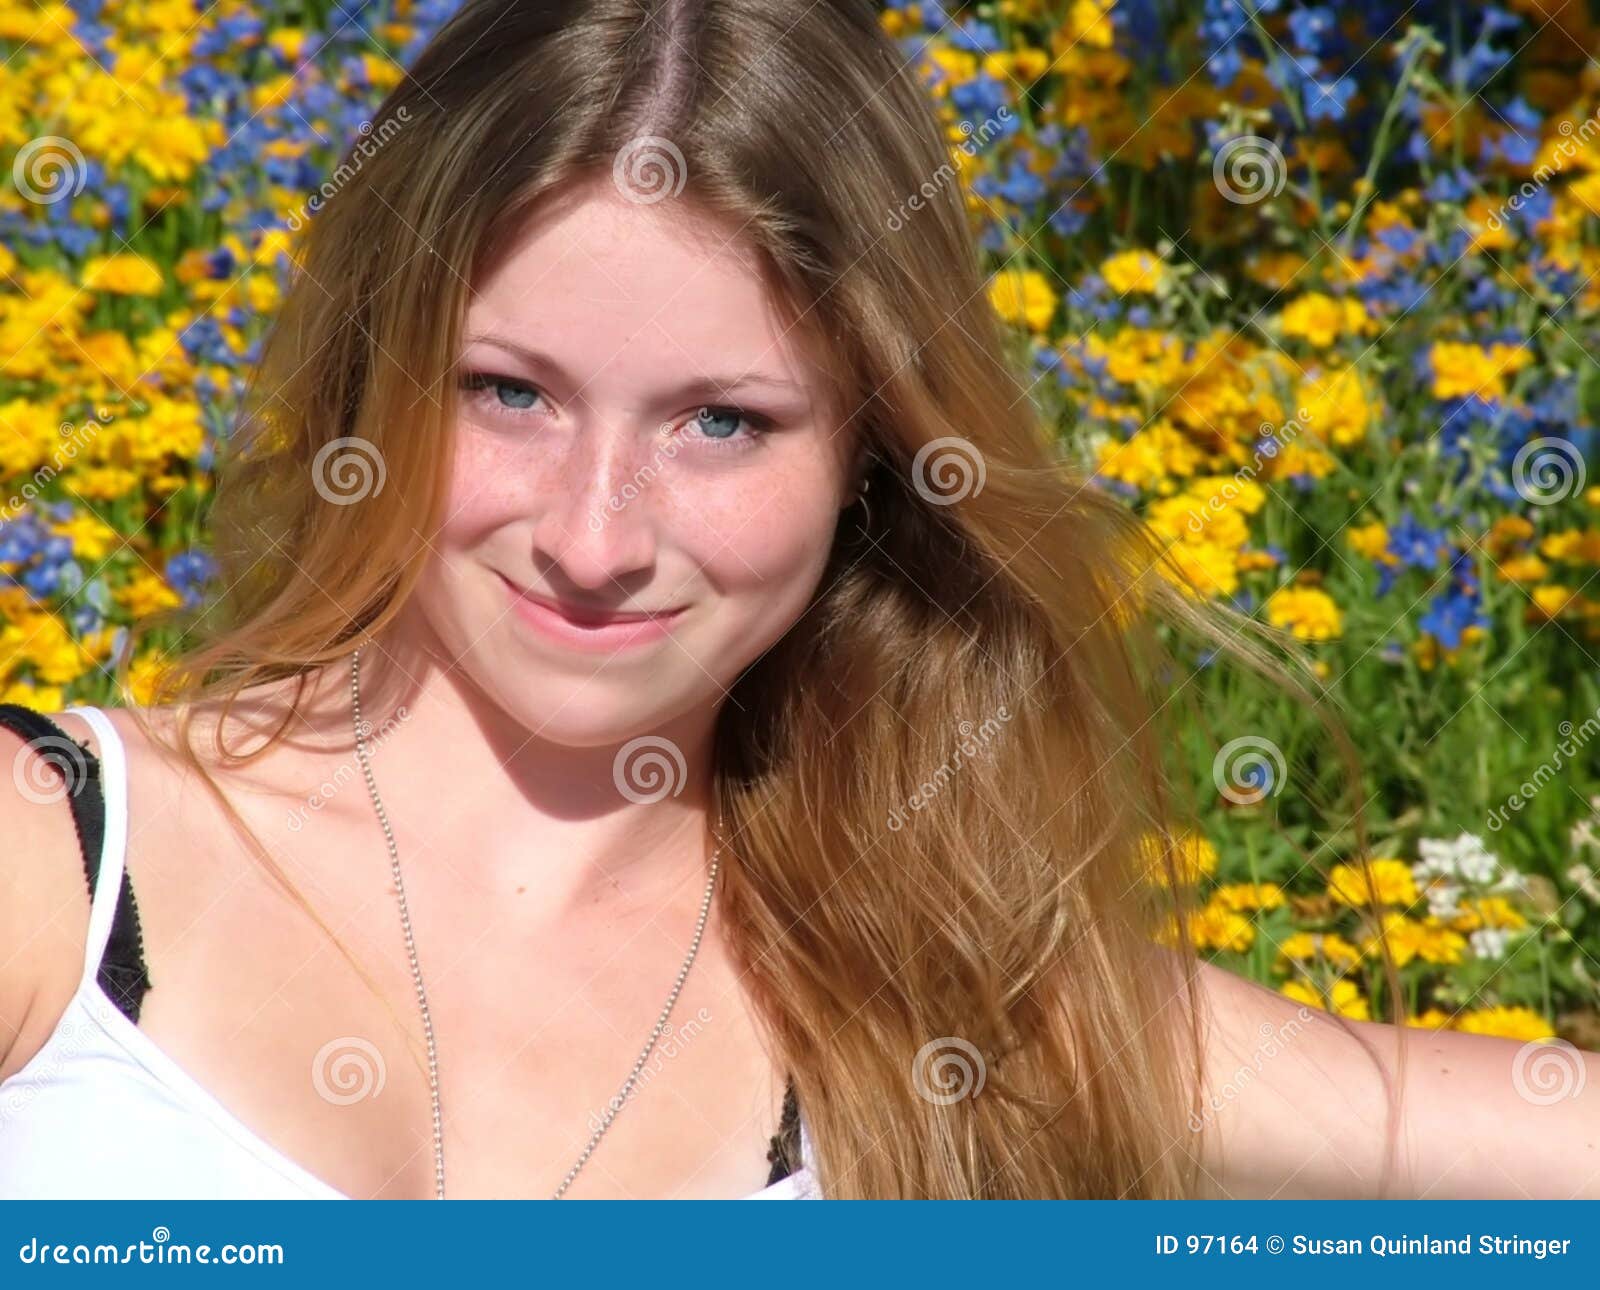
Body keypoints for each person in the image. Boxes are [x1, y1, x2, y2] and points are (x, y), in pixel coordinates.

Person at [1, 0, 1596, 1201]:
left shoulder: (929, 979)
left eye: (722, 422)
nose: (595, 534)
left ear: (875, 460)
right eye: (508, 392)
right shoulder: (58, 862)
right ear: (378, 374)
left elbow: (1463, 1127)